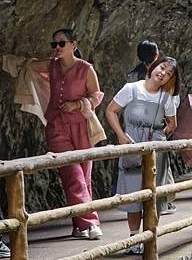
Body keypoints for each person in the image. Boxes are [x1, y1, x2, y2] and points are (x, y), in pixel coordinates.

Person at [26, 29, 104, 240]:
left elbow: (96, 96)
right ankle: (90, 222)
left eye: (61, 43)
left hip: (81, 126)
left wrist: (78, 104)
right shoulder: (51, 65)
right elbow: (29, 66)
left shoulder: (86, 69)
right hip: (57, 126)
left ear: (74, 44)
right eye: (54, 44)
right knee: (73, 176)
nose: (57, 48)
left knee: (85, 177)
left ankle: (79, 225)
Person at [105, 57, 180, 255]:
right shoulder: (132, 89)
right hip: (132, 145)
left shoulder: (168, 97)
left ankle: (150, 235)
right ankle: (133, 237)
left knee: (154, 195)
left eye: (169, 73)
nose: (163, 73)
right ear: (154, 66)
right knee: (133, 194)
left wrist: (159, 136)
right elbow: (111, 111)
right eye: (162, 68)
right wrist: (121, 135)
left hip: (156, 150)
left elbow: (173, 124)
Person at [123, 40, 177, 215]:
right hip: (155, 133)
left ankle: (135, 208)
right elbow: (171, 115)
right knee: (160, 172)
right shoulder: (161, 78)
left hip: (133, 131)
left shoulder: (132, 76)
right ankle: (164, 202)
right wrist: (162, 133)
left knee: (134, 172)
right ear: (156, 56)